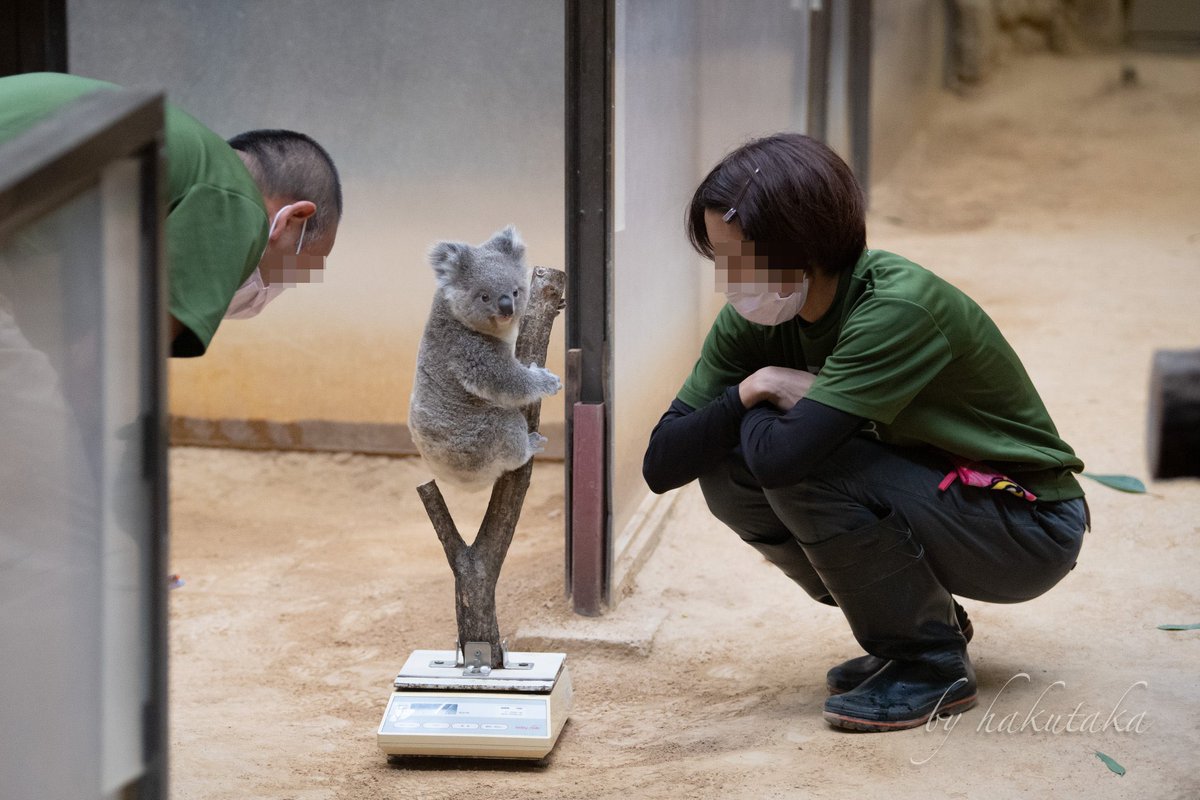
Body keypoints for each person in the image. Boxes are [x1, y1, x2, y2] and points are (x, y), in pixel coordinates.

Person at [643, 133, 1088, 733]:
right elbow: (663, 462)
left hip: (1024, 527)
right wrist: (756, 388)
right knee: (727, 469)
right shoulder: (756, 321)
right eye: (718, 259)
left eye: (737, 259)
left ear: (800, 245)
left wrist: (751, 411)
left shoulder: (895, 308)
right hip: (944, 500)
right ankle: (917, 623)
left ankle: (930, 662)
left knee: (796, 462)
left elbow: (783, 461)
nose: (727, 280)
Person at [0, 72, 342, 356]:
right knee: (35, 412)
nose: (277, 289)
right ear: (291, 218)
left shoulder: (176, 160)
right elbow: (114, 359)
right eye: (296, 269)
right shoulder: (237, 201)